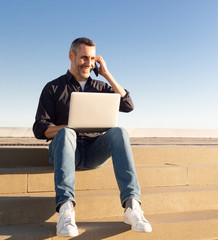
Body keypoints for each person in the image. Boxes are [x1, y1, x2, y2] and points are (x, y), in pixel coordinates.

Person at [33, 37, 152, 237]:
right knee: (66, 132)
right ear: (71, 56)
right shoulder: (53, 88)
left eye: (91, 58)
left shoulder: (100, 87)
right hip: (65, 152)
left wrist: (106, 73)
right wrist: (69, 128)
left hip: (93, 153)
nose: (88, 63)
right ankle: (66, 210)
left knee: (119, 132)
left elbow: (128, 105)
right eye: (83, 58)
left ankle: (132, 207)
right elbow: (39, 128)